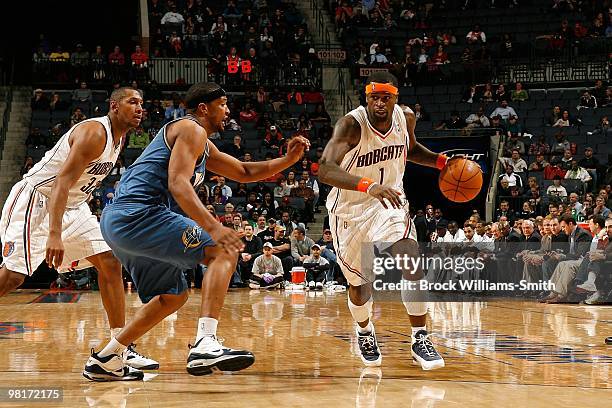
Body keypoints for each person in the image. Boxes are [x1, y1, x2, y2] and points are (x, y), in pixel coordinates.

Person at [83, 83, 309, 380]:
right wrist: (214, 227)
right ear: (204, 108)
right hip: (139, 214)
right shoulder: (191, 129)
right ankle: (205, 342)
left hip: (120, 223)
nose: (228, 111)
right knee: (224, 250)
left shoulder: (201, 143)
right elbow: (178, 183)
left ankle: (108, 357)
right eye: (223, 104)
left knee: (173, 296)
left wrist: (288, 161)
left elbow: (243, 171)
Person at [0, 88, 157, 372]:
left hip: (75, 205)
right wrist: (54, 234)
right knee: (12, 277)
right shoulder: (94, 133)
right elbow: (61, 182)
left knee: (109, 262)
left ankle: (118, 347)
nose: (139, 108)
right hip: (39, 200)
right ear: (114, 106)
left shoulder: (118, 140)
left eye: (141, 103)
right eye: (132, 102)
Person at [319, 72, 447, 370]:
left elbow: (410, 149)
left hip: (389, 200)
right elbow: (325, 169)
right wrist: (368, 186)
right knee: (359, 286)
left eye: (385, 98)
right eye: (374, 97)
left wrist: (442, 162)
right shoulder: (351, 125)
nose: (379, 103)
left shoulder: (406, 118)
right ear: (367, 98)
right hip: (350, 210)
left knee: (410, 257)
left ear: (395, 98)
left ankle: (420, 336)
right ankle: (364, 331)